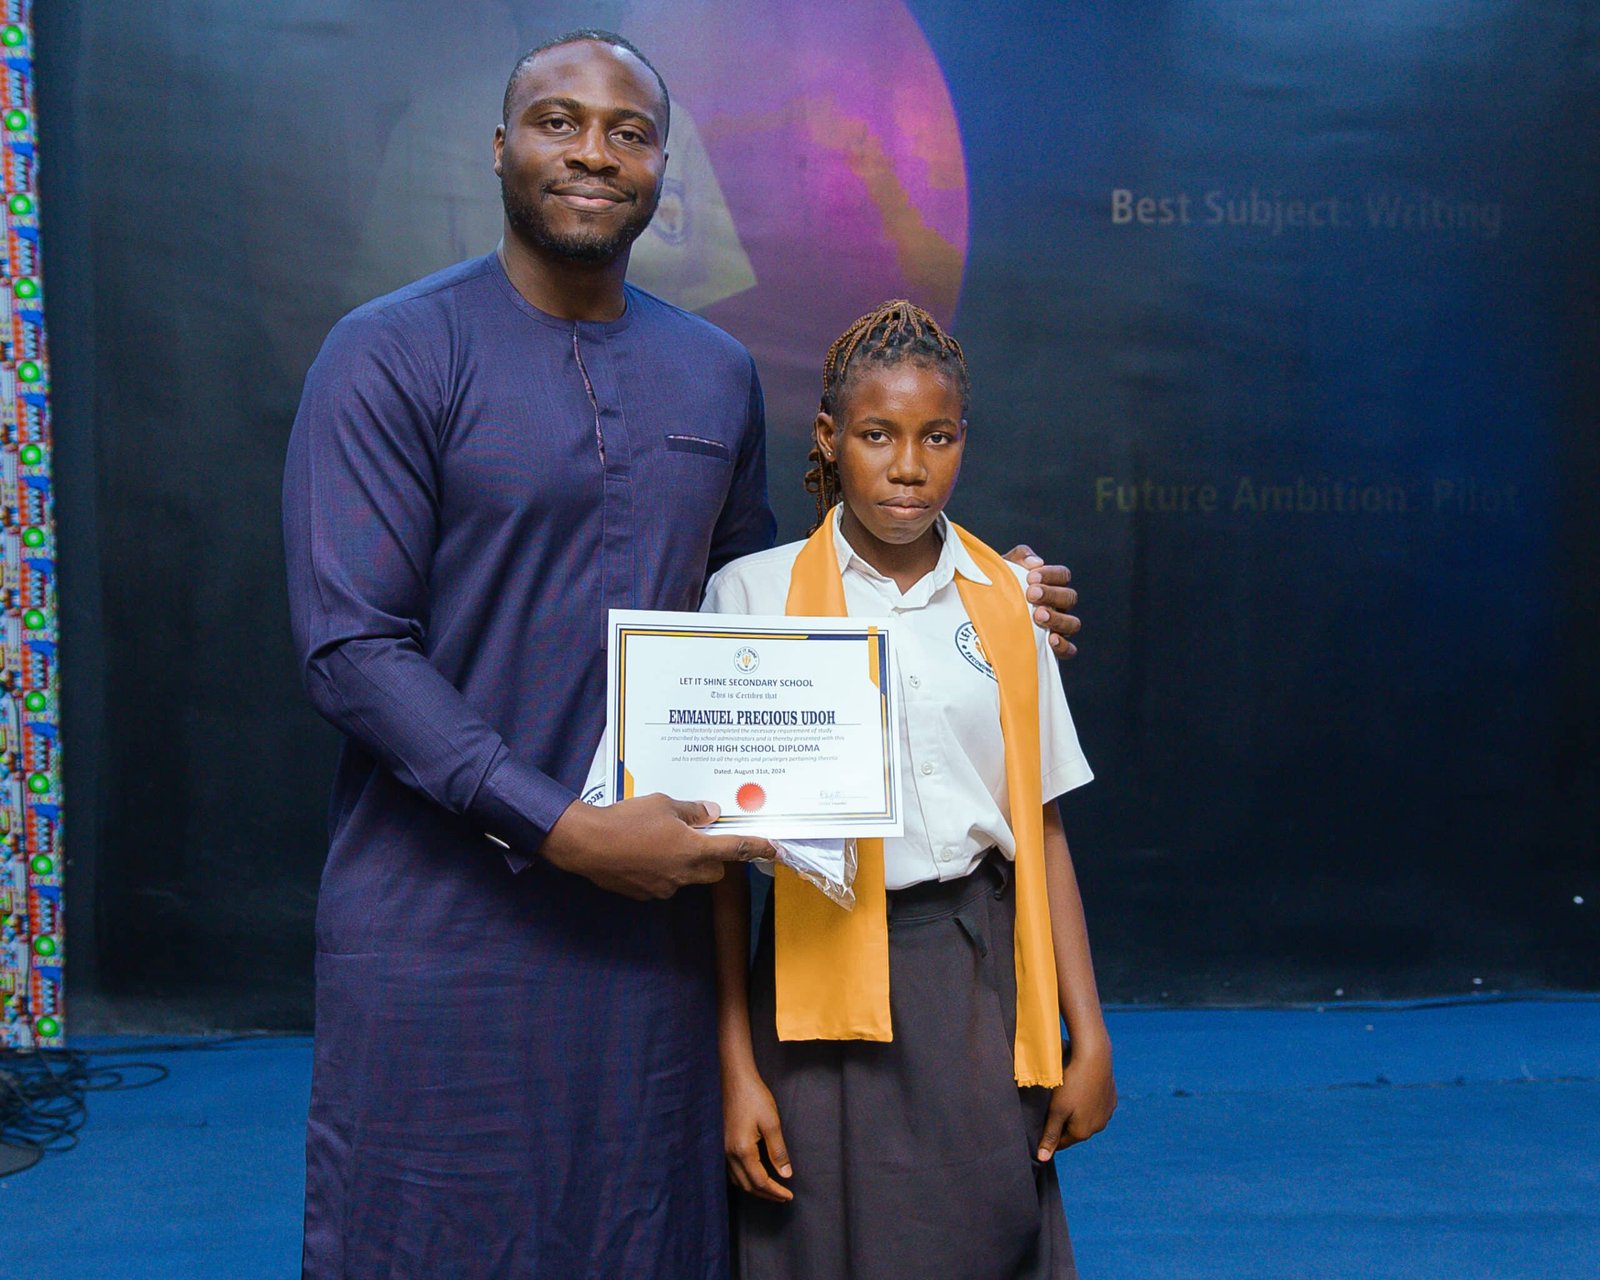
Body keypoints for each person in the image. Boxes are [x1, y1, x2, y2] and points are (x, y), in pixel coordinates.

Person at [283, 30, 1083, 1280]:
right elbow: (349, 647)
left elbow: (776, 629)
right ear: (497, 149)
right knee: (434, 1231)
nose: (594, 153)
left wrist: (986, 585)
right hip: (442, 917)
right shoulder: (388, 351)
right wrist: (560, 825)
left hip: (652, 934)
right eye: (558, 122)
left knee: (647, 1233)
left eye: (630, 132)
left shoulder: (710, 374)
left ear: (665, 166)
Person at [708, 302, 1116, 1280]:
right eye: (876, 434)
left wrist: (1091, 1033)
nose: (907, 466)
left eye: (936, 437)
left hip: (971, 970)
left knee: (981, 1228)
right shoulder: (752, 598)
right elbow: (717, 869)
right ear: (828, 437)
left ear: (963, 440)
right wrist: (734, 1066)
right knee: (817, 1238)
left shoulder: (1006, 598)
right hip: (812, 971)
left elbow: (1040, 824)